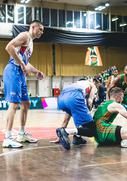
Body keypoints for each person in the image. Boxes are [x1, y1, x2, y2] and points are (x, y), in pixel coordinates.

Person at [2, 20, 44, 148]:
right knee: (14, 104)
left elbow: (25, 63)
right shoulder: (25, 35)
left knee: (26, 103)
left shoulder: (30, 43)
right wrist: (21, 64)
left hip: (20, 73)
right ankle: (8, 137)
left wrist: (36, 71)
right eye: (40, 29)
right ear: (33, 27)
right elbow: (9, 47)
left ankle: (21, 133)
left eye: (43, 30)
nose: (42, 32)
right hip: (13, 70)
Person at [51, 78, 97, 145]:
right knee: (92, 130)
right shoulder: (90, 84)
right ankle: (66, 132)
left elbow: (66, 120)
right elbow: (90, 100)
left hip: (61, 99)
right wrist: (90, 102)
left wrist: (60, 137)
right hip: (74, 96)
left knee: (78, 119)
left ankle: (77, 138)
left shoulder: (74, 84)